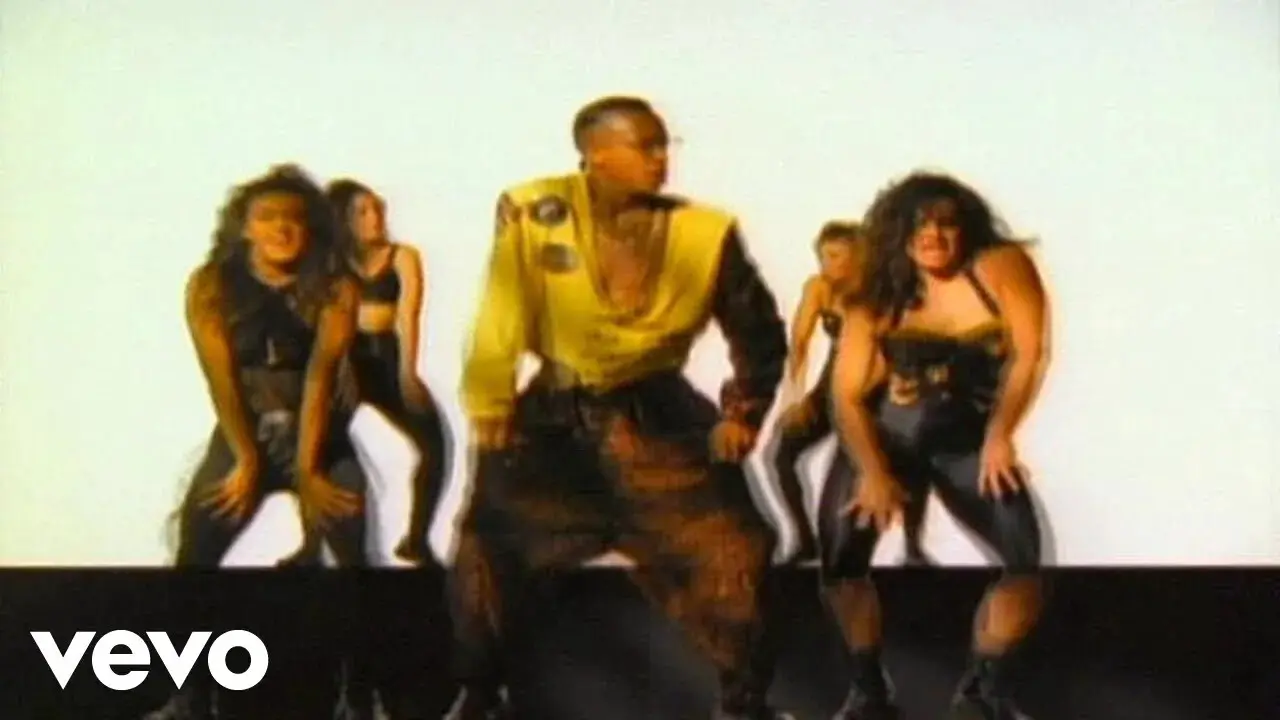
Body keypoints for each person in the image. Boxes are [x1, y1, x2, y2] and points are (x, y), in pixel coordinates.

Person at [448, 95, 793, 720]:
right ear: (597, 156)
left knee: (738, 547)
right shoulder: (536, 210)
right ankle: (480, 695)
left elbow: (759, 331)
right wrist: (489, 396)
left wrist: (743, 412)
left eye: (665, 145)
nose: (662, 158)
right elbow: (501, 306)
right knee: (486, 548)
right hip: (553, 419)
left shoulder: (704, 231)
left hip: (656, 413)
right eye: (647, 146)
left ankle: (745, 703)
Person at [821, 171, 1050, 720]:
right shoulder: (876, 289)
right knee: (841, 560)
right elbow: (847, 395)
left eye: (947, 224)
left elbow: (1029, 355)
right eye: (920, 226)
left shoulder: (1000, 266)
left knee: (1025, 560)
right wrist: (873, 471)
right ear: (898, 233)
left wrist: (1000, 434)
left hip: (964, 435)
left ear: (966, 227)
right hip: (884, 434)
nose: (934, 236)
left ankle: (983, 690)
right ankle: (867, 687)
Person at [145, 165, 367, 720]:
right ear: (244, 227)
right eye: (267, 218)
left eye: (294, 219)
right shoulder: (211, 284)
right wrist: (245, 458)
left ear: (311, 228)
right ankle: (190, 695)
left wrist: (309, 470)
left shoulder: (335, 286)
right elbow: (220, 378)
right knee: (194, 554)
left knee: (353, 558)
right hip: (243, 430)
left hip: (318, 434)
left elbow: (320, 380)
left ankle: (361, 697)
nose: (282, 229)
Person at [282, 179, 452, 567]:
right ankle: (311, 543)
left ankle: (417, 538)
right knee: (316, 446)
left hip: (384, 358)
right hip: (344, 361)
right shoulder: (331, 260)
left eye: (378, 209)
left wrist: (408, 372)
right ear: (344, 219)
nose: (375, 218)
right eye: (362, 212)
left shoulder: (402, 256)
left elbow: (408, 317)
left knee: (434, 443)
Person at [767, 221, 930, 566]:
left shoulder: (881, 291)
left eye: (835, 256)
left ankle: (913, 546)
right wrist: (794, 400)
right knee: (781, 453)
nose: (826, 265)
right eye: (822, 256)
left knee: (911, 455)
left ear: (858, 256)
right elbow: (799, 346)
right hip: (833, 384)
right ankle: (804, 538)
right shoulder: (818, 288)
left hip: (878, 387)